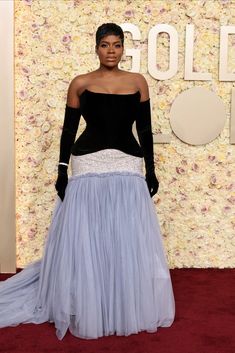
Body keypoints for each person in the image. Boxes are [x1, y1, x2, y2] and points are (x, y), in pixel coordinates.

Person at [0, 23, 175, 340]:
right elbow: (68, 130)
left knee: (126, 236)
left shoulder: (138, 82)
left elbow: (146, 131)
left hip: (127, 164)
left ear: (124, 48)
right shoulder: (80, 83)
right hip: (87, 162)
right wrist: (61, 169)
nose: (111, 50)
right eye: (105, 44)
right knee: (87, 235)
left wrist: (151, 170)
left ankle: (120, 300)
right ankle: (88, 301)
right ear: (96, 48)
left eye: (117, 44)